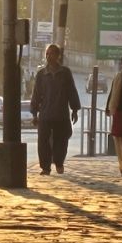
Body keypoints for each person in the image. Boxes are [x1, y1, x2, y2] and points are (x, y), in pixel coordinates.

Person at [29, 43, 80, 176]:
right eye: (47, 53)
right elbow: (36, 94)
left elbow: (72, 92)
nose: (48, 56)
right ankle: (45, 167)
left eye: (51, 53)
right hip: (45, 114)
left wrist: (75, 109)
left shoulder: (65, 73)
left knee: (61, 140)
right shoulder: (41, 74)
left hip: (61, 113)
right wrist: (34, 113)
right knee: (43, 141)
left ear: (58, 56)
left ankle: (58, 162)